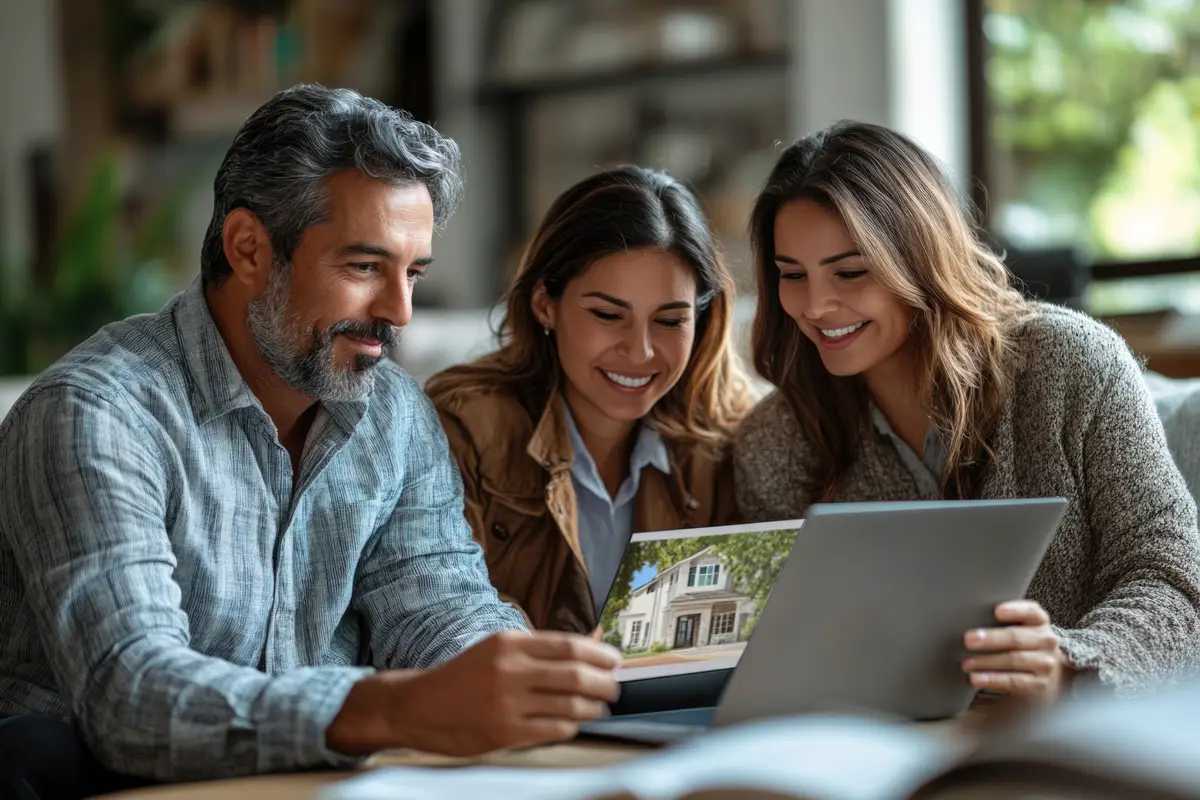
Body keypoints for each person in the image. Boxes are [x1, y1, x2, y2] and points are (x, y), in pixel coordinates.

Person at [0, 85, 620, 798]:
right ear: (249, 249)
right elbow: (129, 692)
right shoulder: (94, 416)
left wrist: (521, 678)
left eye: (412, 273)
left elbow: (438, 607)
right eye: (363, 268)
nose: (399, 311)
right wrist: (392, 707)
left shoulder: (393, 412)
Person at [734, 120, 1200, 700]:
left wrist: (1070, 664)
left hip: (1072, 740)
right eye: (791, 276)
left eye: (850, 273)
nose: (817, 305)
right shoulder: (774, 442)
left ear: (921, 256)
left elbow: (1175, 578)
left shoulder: (1073, 364)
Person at [426, 166, 752, 635]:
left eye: (669, 321)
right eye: (607, 314)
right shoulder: (463, 426)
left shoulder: (724, 441)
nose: (640, 351)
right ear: (545, 304)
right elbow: (444, 616)